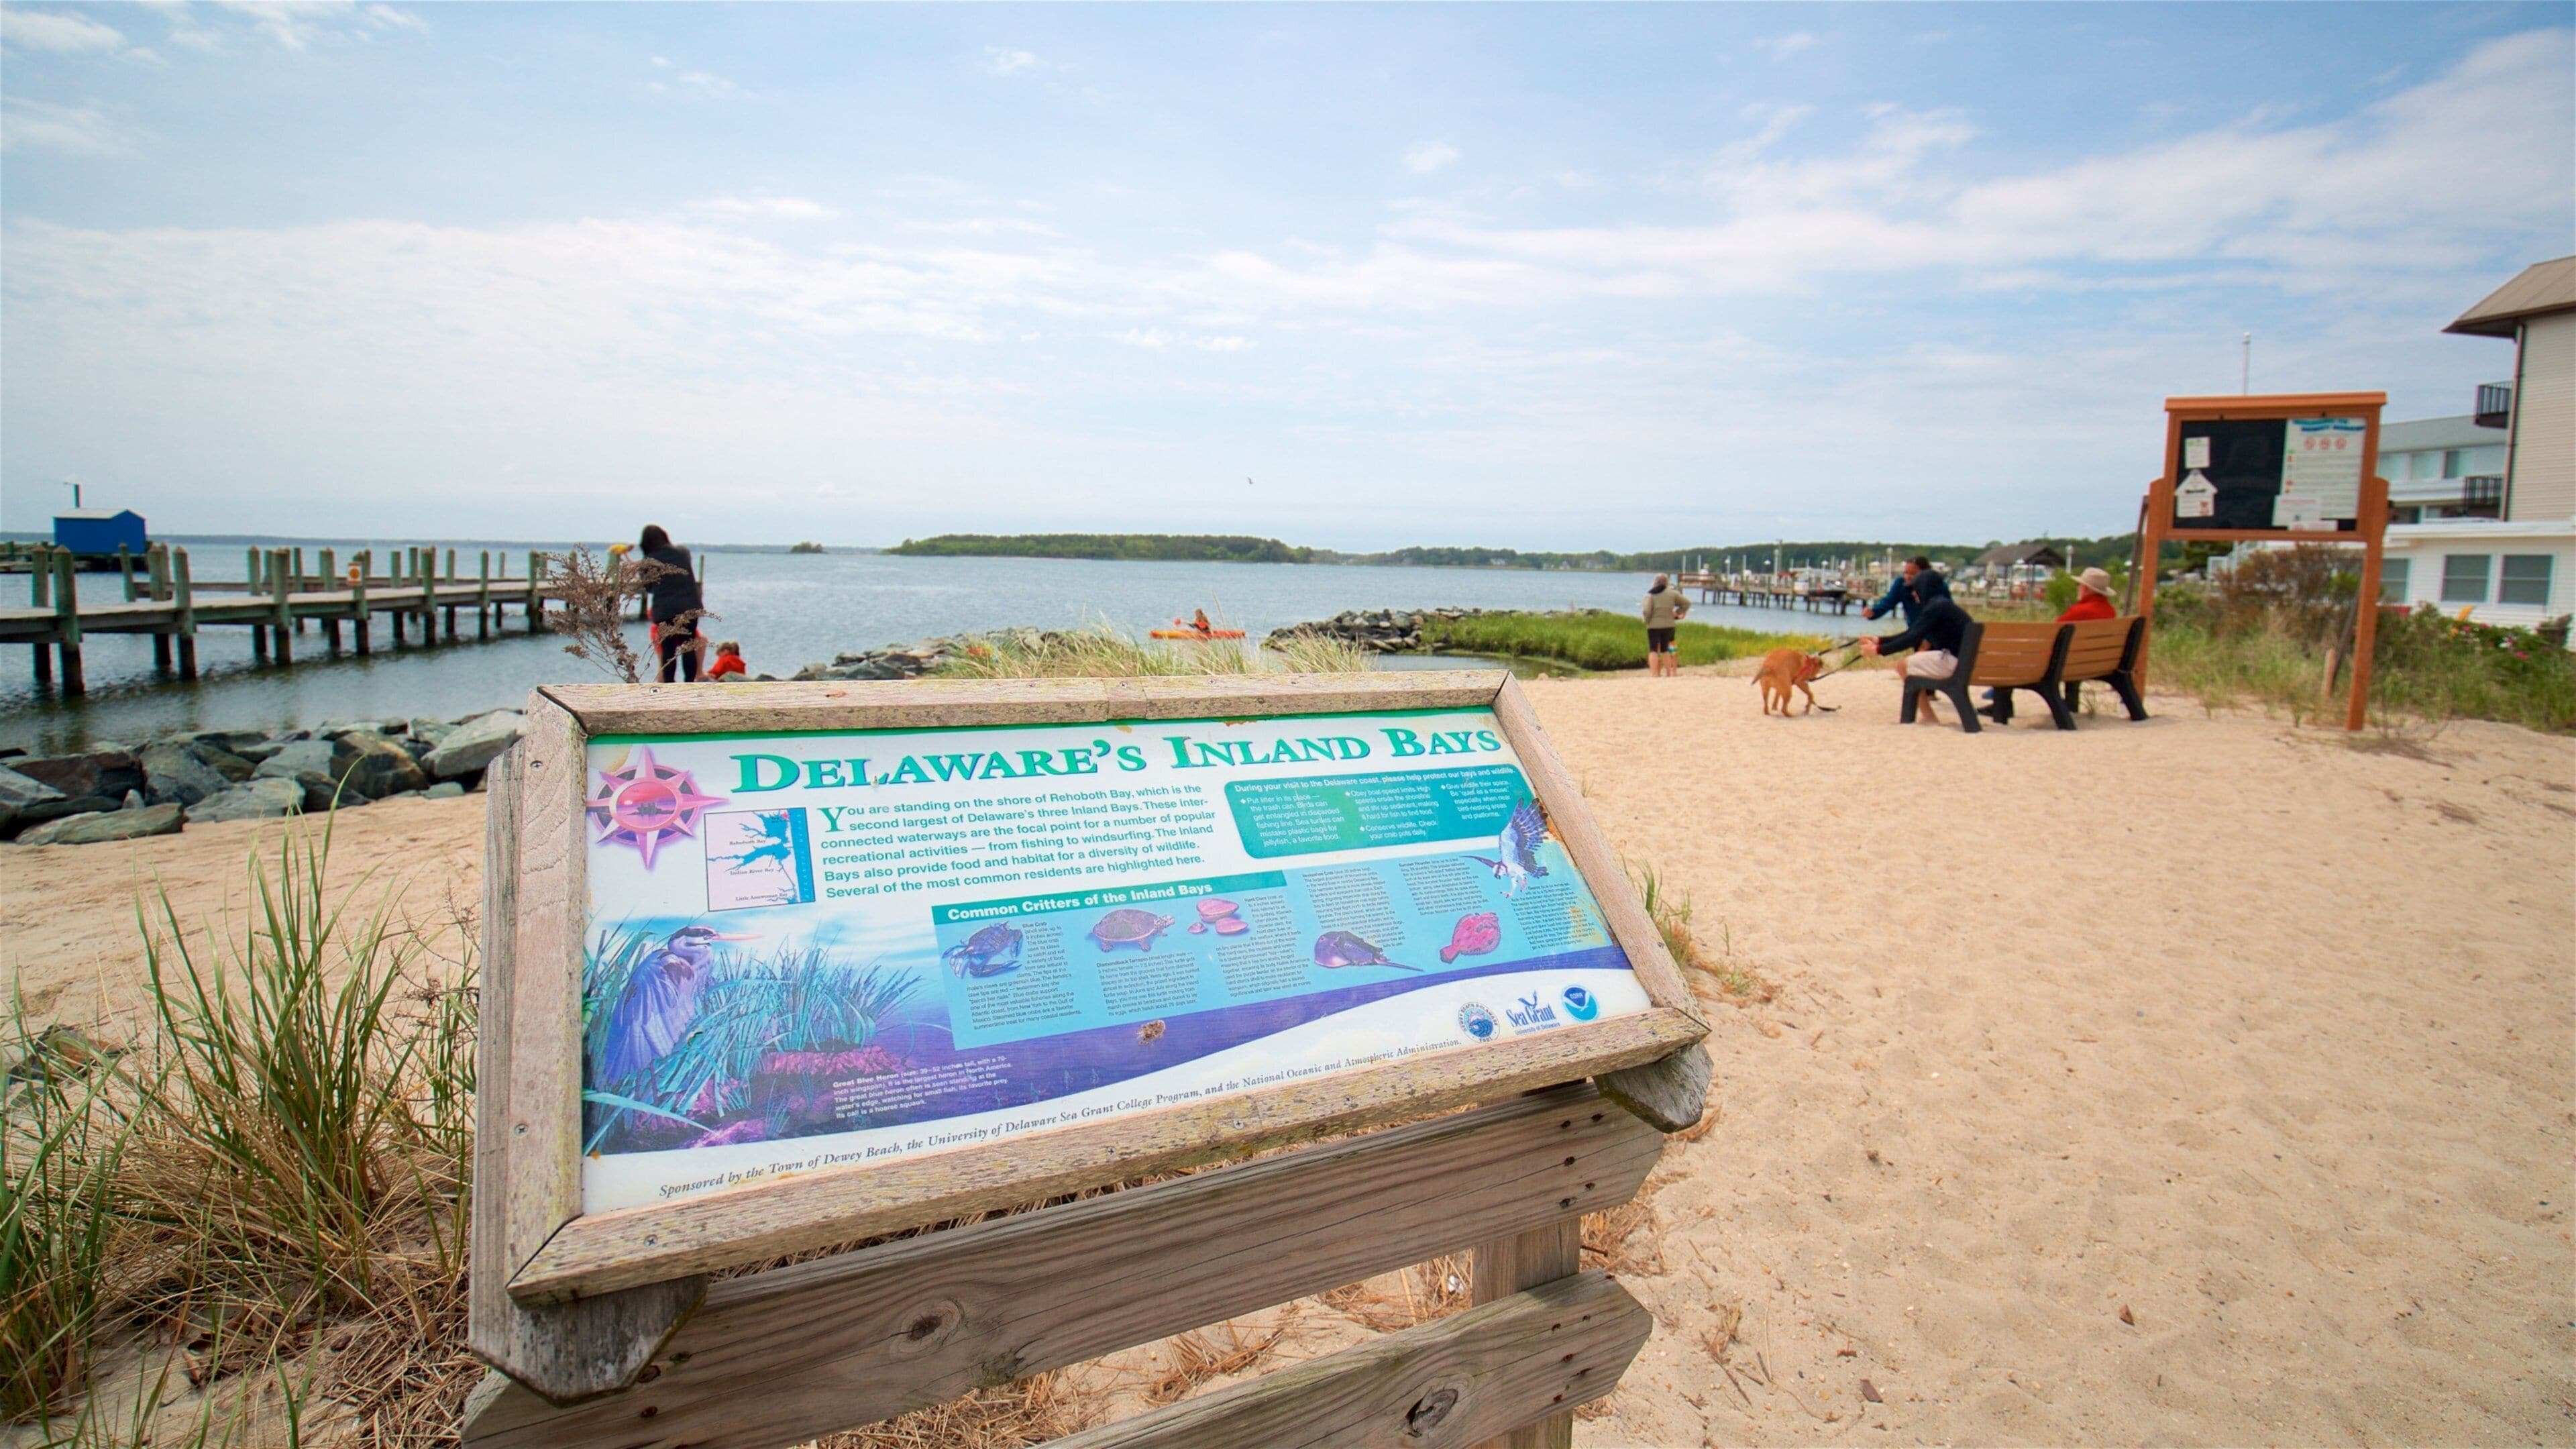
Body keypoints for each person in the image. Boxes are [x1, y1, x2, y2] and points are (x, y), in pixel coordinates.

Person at [1985, 567, 2118, 720]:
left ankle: (2001, 708)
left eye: (2080, 586)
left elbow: (2052, 634)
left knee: (2008, 661)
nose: (2078, 589)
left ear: (2086, 589)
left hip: (2062, 665)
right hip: (2089, 664)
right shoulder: (2109, 611)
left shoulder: (2081, 611)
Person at [1860, 571, 1972, 723]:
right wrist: (1879, 640)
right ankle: (1928, 716)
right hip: (1965, 663)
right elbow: (1913, 634)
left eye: (1915, 588)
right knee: (1911, 664)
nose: (1913, 593)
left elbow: (1912, 637)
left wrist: (1878, 650)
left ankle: (1929, 717)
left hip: (1953, 663)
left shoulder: (1935, 607)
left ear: (1924, 588)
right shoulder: (1943, 605)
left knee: (1903, 666)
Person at [637, 525, 706, 683]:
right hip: (690, 606)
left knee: (668, 649)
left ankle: (669, 685)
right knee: (689, 646)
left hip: (665, 609)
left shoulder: (649, 560)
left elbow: (649, 587)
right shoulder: (683, 552)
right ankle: (689, 683)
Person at [1642, 574, 1690, 677]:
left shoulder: (1650, 594)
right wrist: (1678, 612)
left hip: (1654, 625)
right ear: (1667, 582)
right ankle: (1668, 673)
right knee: (1665, 649)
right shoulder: (1673, 594)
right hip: (1669, 624)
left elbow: (1647, 610)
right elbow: (1687, 603)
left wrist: (1647, 620)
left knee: (1653, 649)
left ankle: (1654, 673)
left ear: (1655, 582)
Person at [1861, 556, 1930, 625]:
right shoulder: (1901, 584)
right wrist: (1873, 613)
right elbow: (1888, 602)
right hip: (1914, 628)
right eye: (1906, 573)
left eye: (1912, 574)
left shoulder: (1932, 586)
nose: (1908, 577)